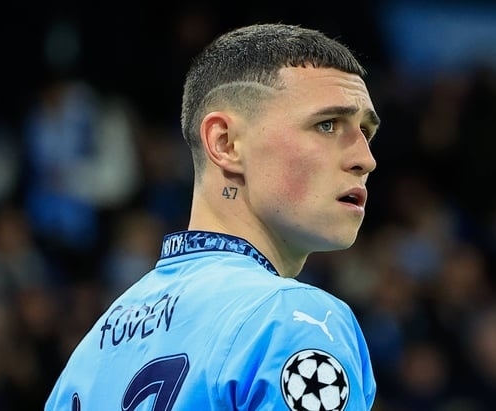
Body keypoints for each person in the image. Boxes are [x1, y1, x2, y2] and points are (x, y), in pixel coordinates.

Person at [45, 23, 380, 411]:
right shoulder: (293, 320)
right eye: (327, 125)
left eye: (366, 132)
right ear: (226, 144)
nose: (365, 159)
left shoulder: (87, 357)